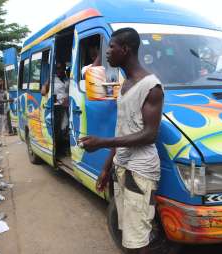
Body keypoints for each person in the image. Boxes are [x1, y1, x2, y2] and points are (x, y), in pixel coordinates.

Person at [79, 28, 164, 254]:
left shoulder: (151, 86)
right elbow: (123, 130)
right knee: (128, 233)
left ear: (125, 49)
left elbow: (149, 134)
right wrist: (107, 168)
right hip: (122, 167)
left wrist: (101, 142)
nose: (107, 53)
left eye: (111, 47)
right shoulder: (124, 85)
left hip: (140, 171)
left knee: (139, 237)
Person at [41, 62, 69, 152]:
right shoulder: (52, 78)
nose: (59, 70)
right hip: (57, 107)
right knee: (57, 128)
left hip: (68, 106)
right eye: (57, 68)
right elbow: (43, 89)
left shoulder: (67, 77)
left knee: (66, 127)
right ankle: (57, 149)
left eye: (61, 68)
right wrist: (44, 88)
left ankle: (64, 147)